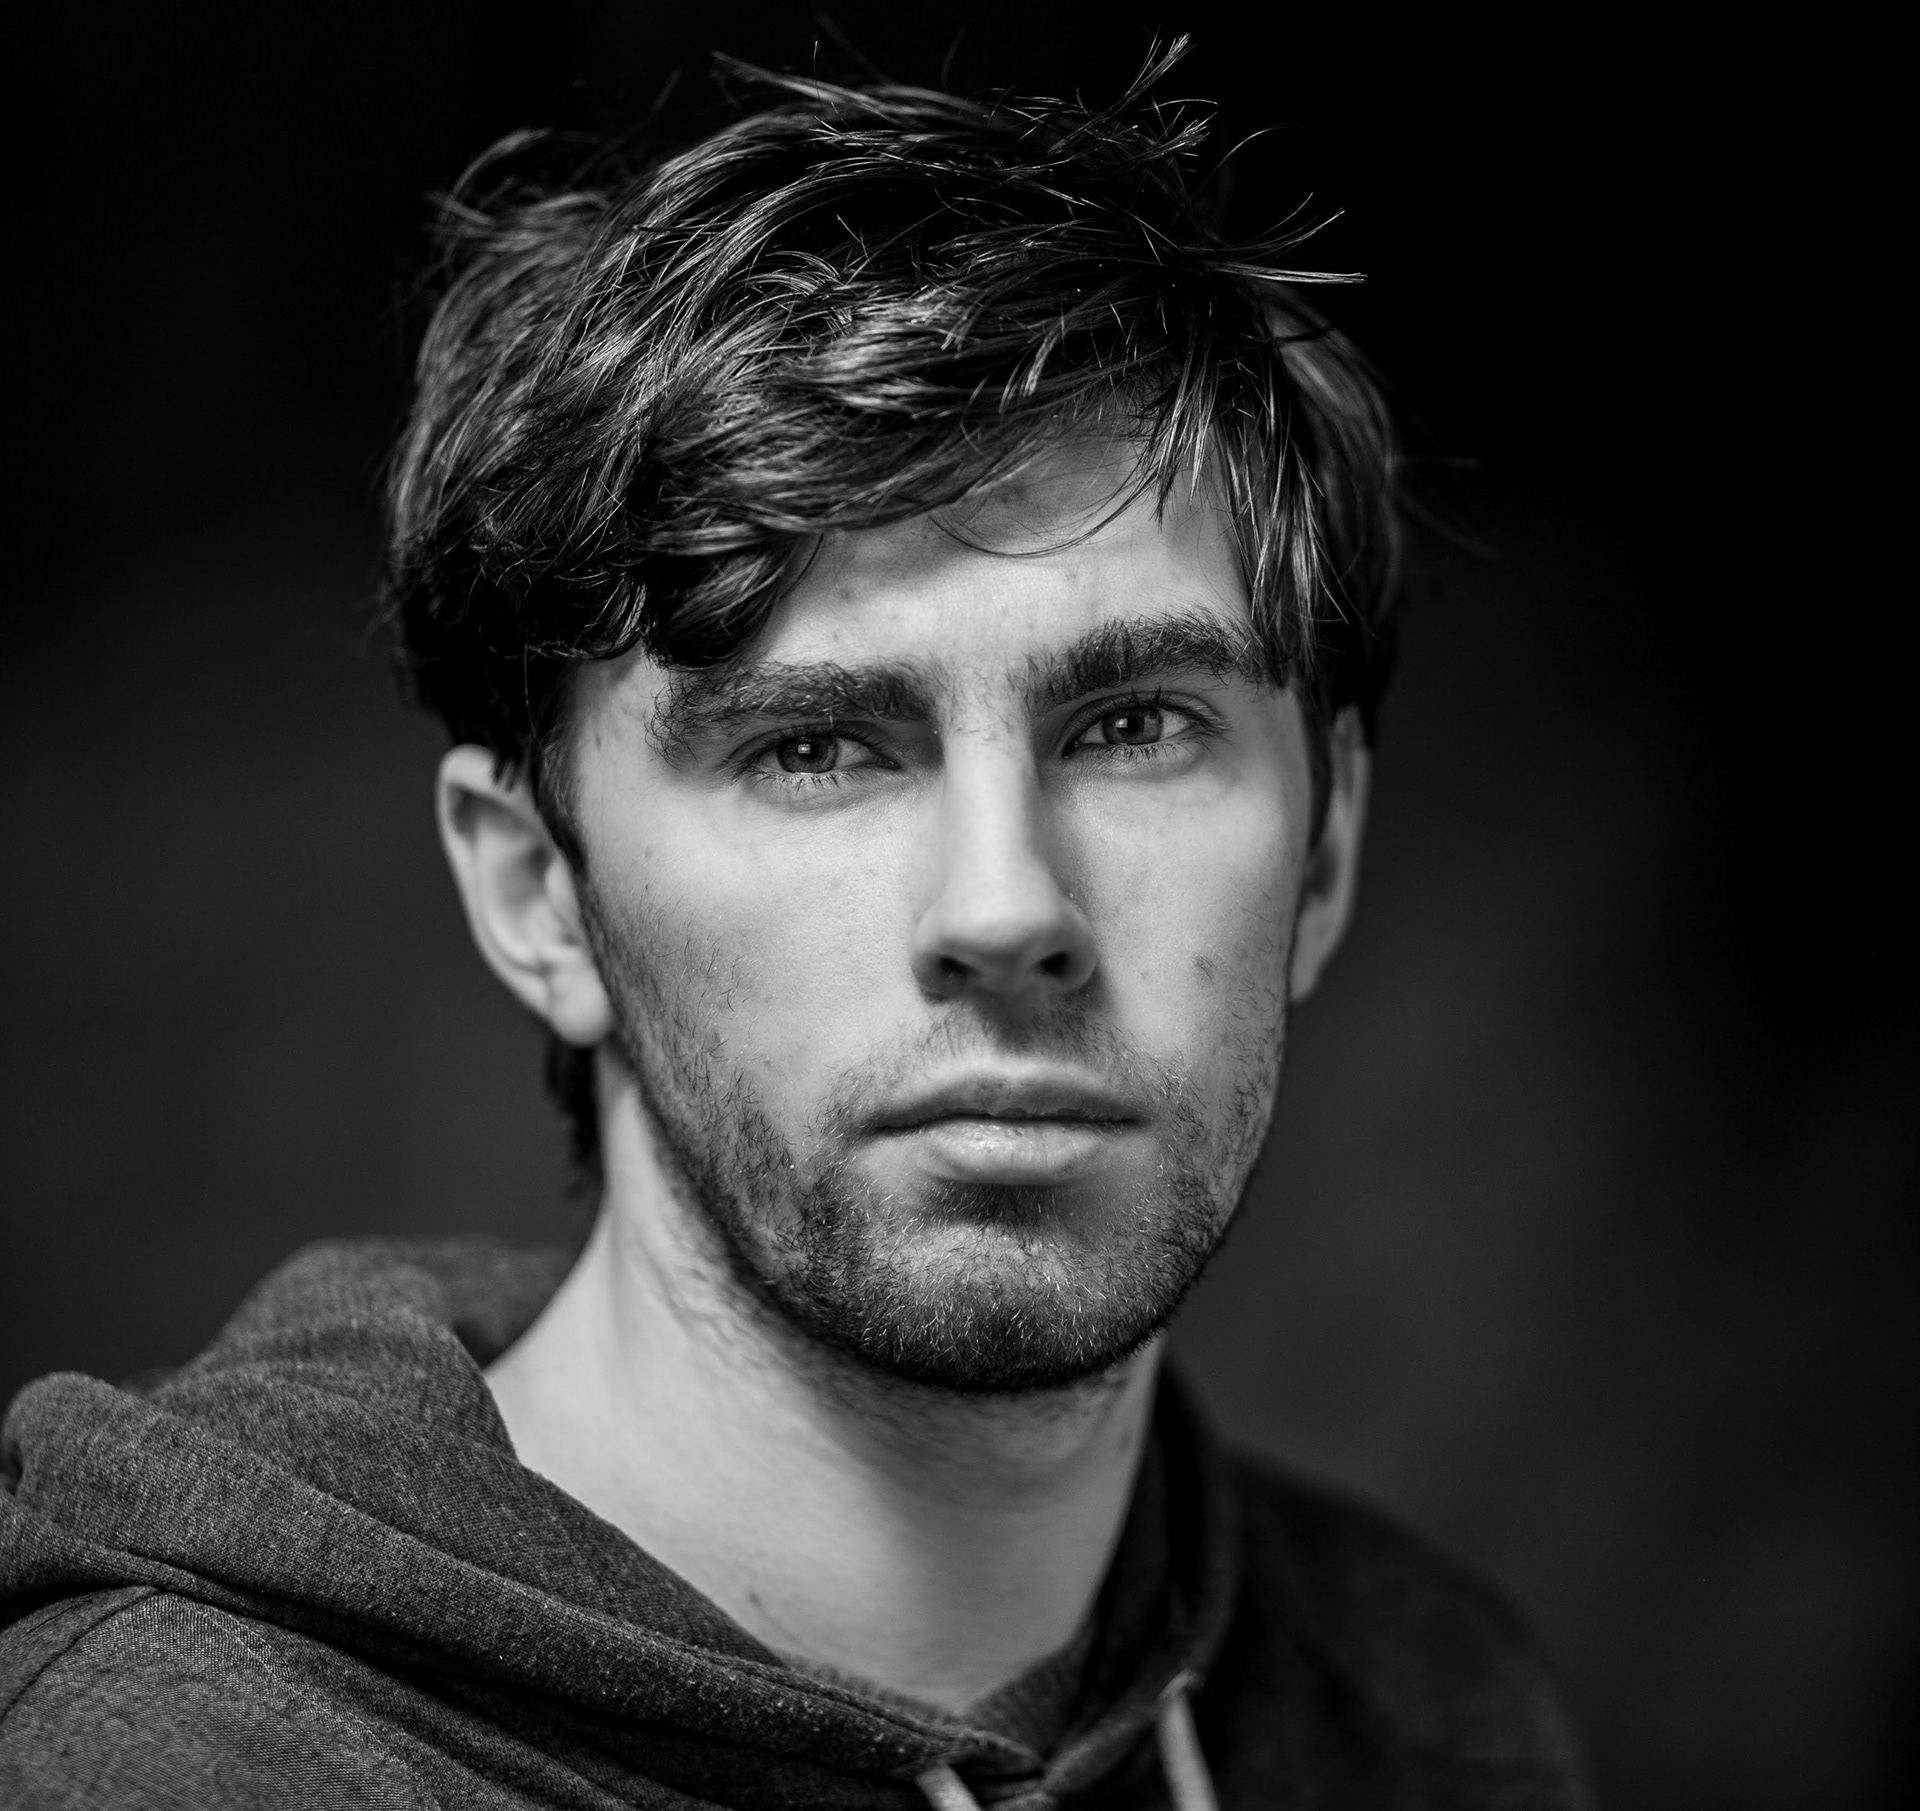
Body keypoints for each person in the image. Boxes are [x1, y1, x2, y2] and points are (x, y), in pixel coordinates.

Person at [0, 48, 1593, 1809]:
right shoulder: (161, 1770)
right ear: (536, 892)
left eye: (1136, 727)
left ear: (1328, 847)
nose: (1006, 908)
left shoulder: (1432, 1721)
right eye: (818, 747)